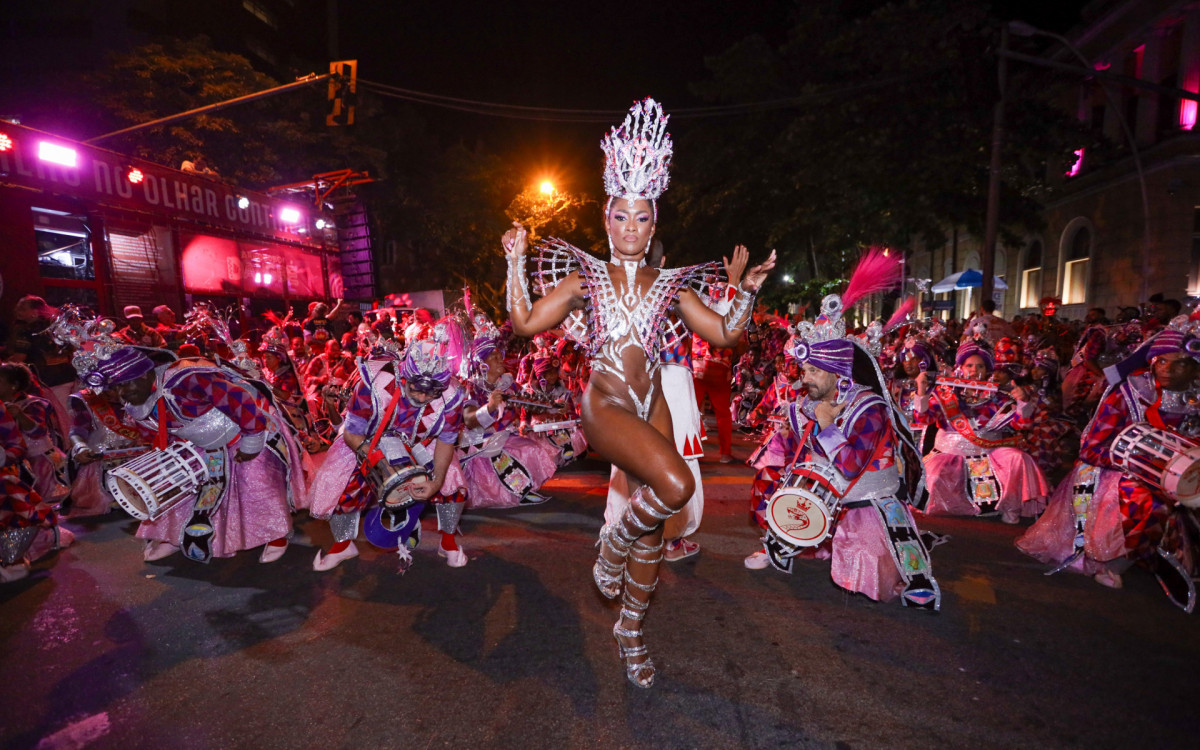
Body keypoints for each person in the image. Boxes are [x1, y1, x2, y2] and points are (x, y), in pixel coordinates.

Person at [502, 98, 774, 687]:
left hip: (651, 403)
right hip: (605, 404)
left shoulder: (672, 284)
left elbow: (725, 335)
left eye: (642, 218)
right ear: (607, 218)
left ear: (655, 223)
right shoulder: (582, 277)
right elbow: (524, 324)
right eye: (621, 216)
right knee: (674, 484)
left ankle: (630, 630)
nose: (631, 228)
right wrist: (515, 262)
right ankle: (608, 548)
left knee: (653, 527)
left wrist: (745, 292)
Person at [754, 274, 939, 608]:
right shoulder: (806, 401)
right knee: (768, 483)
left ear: (837, 374)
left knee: (863, 566)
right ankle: (785, 541)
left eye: (812, 371)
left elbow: (851, 465)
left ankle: (909, 567)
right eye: (803, 369)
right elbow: (795, 452)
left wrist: (826, 424)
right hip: (822, 489)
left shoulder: (870, 408)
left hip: (868, 495)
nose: (803, 377)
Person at [1017, 328, 1200, 609]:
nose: (1169, 369)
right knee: (1152, 503)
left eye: (1181, 363)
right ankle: (1115, 565)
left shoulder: (1195, 398)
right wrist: (1138, 462)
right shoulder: (1130, 392)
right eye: (1162, 361)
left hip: (1179, 476)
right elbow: (1092, 447)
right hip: (1117, 470)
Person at [96, 347, 299, 564]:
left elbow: (237, 398)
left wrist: (252, 441)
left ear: (145, 374)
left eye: (125, 385)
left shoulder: (187, 379)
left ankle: (276, 535)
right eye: (115, 389)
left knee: (257, 484)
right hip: (201, 443)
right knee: (184, 488)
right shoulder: (136, 402)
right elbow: (159, 432)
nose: (122, 394)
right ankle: (173, 537)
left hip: (244, 430)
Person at [310, 340, 469, 571]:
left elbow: (446, 440)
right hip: (368, 440)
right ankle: (343, 545)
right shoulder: (374, 382)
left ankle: (448, 542)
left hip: (425, 442)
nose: (423, 398)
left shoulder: (452, 395)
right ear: (405, 377)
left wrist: (436, 481)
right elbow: (352, 434)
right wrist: (380, 464)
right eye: (416, 389)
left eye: (431, 393)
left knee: (451, 481)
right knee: (339, 482)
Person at [916, 340, 1049, 523]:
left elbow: (1022, 426)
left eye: (980, 366)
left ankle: (1010, 508)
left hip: (990, 451)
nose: (974, 370)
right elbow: (923, 419)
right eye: (969, 365)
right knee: (936, 475)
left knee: (1019, 459)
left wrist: (1022, 403)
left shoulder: (998, 396)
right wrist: (922, 391)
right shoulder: (945, 394)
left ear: (988, 370)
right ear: (960, 368)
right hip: (951, 452)